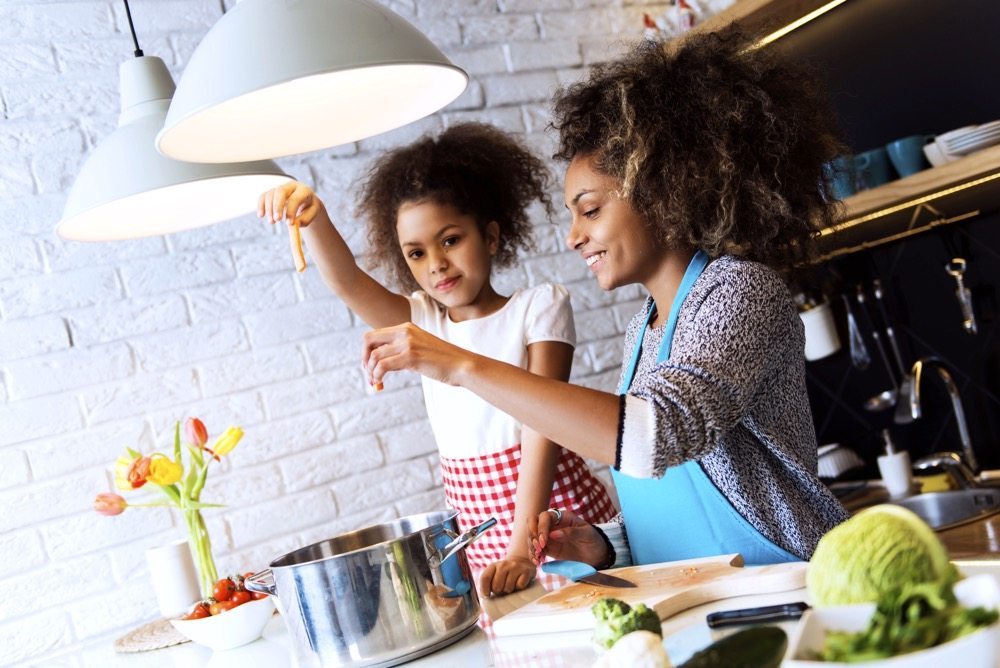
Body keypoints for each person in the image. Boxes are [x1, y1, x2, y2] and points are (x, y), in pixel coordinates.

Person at [358, 32, 850, 572]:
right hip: (708, 594)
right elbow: (667, 497)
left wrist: (458, 365)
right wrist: (605, 543)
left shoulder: (739, 292)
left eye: (589, 211)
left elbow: (651, 435)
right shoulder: (646, 327)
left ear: (665, 193)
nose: (573, 236)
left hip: (788, 583)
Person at [257, 123, 615, 595]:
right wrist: (315, 217)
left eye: (450, 240)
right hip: (484, 541)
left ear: (489, 236)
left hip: (557, 523)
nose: (436, 264)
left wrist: (521, 546)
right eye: (416, 253)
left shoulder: (539, 307)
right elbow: (347, 281)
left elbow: (542, 432)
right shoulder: (421, 322)